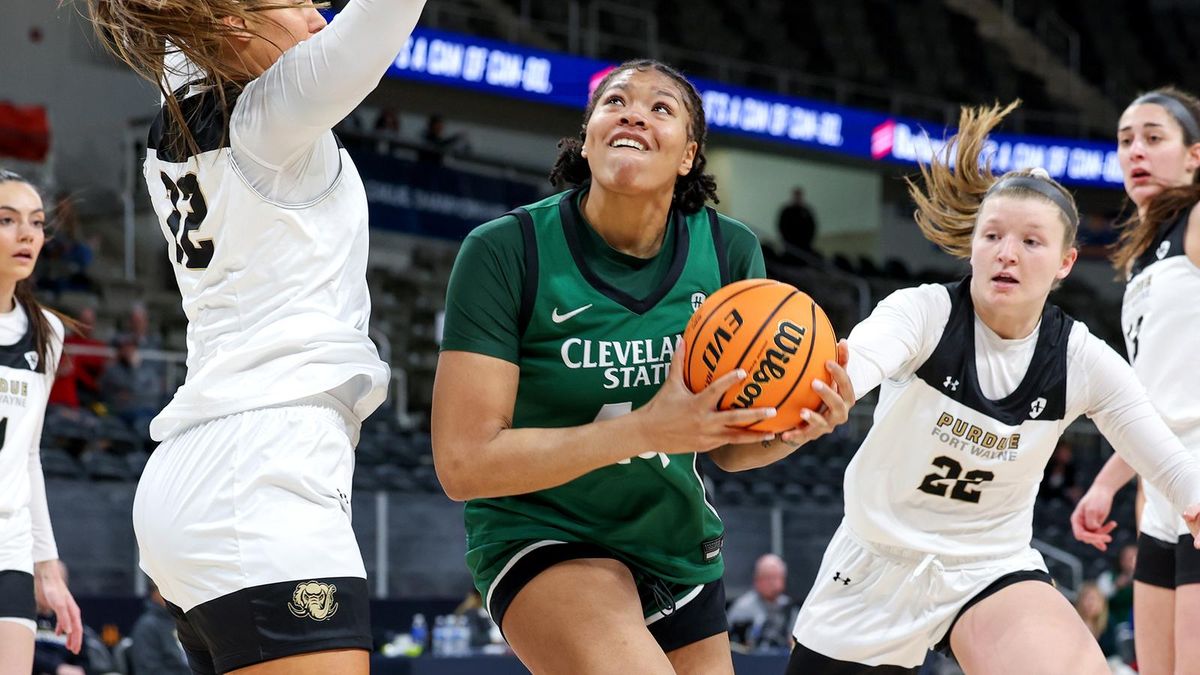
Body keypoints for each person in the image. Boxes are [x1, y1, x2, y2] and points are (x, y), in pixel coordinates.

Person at [431, 59, 854, 675]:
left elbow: (731, 448)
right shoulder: (504, 251)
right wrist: (646, 430)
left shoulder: (729, 250)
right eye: (615, 102)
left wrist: (796, 428)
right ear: (588, 136)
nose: (634, 113)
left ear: (689, 154)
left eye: (662, 108)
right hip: (542, 531)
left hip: (674, 542)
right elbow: (464, 464)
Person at [787, 101, 1200, 675]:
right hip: (874, 562)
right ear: (973, 245)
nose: (1007, 252)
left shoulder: (1080, 357)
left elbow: (1166, 456)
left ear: (1065, 262)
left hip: (988, 567)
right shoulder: (922, 312)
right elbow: (859, 361)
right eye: (993, 236)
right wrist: (832, 393)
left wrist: (1196, 500)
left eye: (1032, 242)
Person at [82, 1, 427, 673]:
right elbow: (385, 17)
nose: (320, 18)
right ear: (236, 25)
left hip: (205, 472)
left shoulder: (184, 91)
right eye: (299, 4)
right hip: (264, 467)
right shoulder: (274, 115)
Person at [1071, 86, 1200, 675]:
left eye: (1154, 137)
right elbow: (1152, 393)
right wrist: (1105, 485)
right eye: (1126, 140)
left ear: (1194, 155)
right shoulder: (1143, 260)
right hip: (1163, 490)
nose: (1136, 151)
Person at [0, 170, 83, 675]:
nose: (27, 234)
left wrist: (47, 567)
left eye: (34, 223)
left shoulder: (46, 332)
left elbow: (27, 455)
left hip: (8, 541)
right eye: (7, 221)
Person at [726, 553, 796, 652]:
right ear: (757, 579)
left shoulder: (788, 607)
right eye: (769, 578)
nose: (773, 583)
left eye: (777, 577)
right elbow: (730, 642)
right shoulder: (743, 607)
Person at [129, 580, 190, 675]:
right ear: (154, 594)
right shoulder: (147, 626)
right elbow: (149, 670)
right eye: (166, 590)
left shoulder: (181, 621)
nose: (173, 595)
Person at [777, 186, 818, 257]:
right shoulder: (786, 211)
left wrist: (807, 241)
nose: (798, 198)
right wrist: (787, 241)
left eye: (799, 195)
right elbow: (782, 227)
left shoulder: (806, 211)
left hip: (805, 245)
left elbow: (812, 227)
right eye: (796, 195)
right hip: (791, 246)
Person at [1039, 439, 1082, 504]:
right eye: (1065, 452)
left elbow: (1072, 485)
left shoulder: (1070, 469)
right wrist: (1065, 492)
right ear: (1057, 452)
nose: (1068, 454)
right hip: (1045, 501)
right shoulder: (1047, 467)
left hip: (1063, 503)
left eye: (1069, 451)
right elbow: (1044, 489)